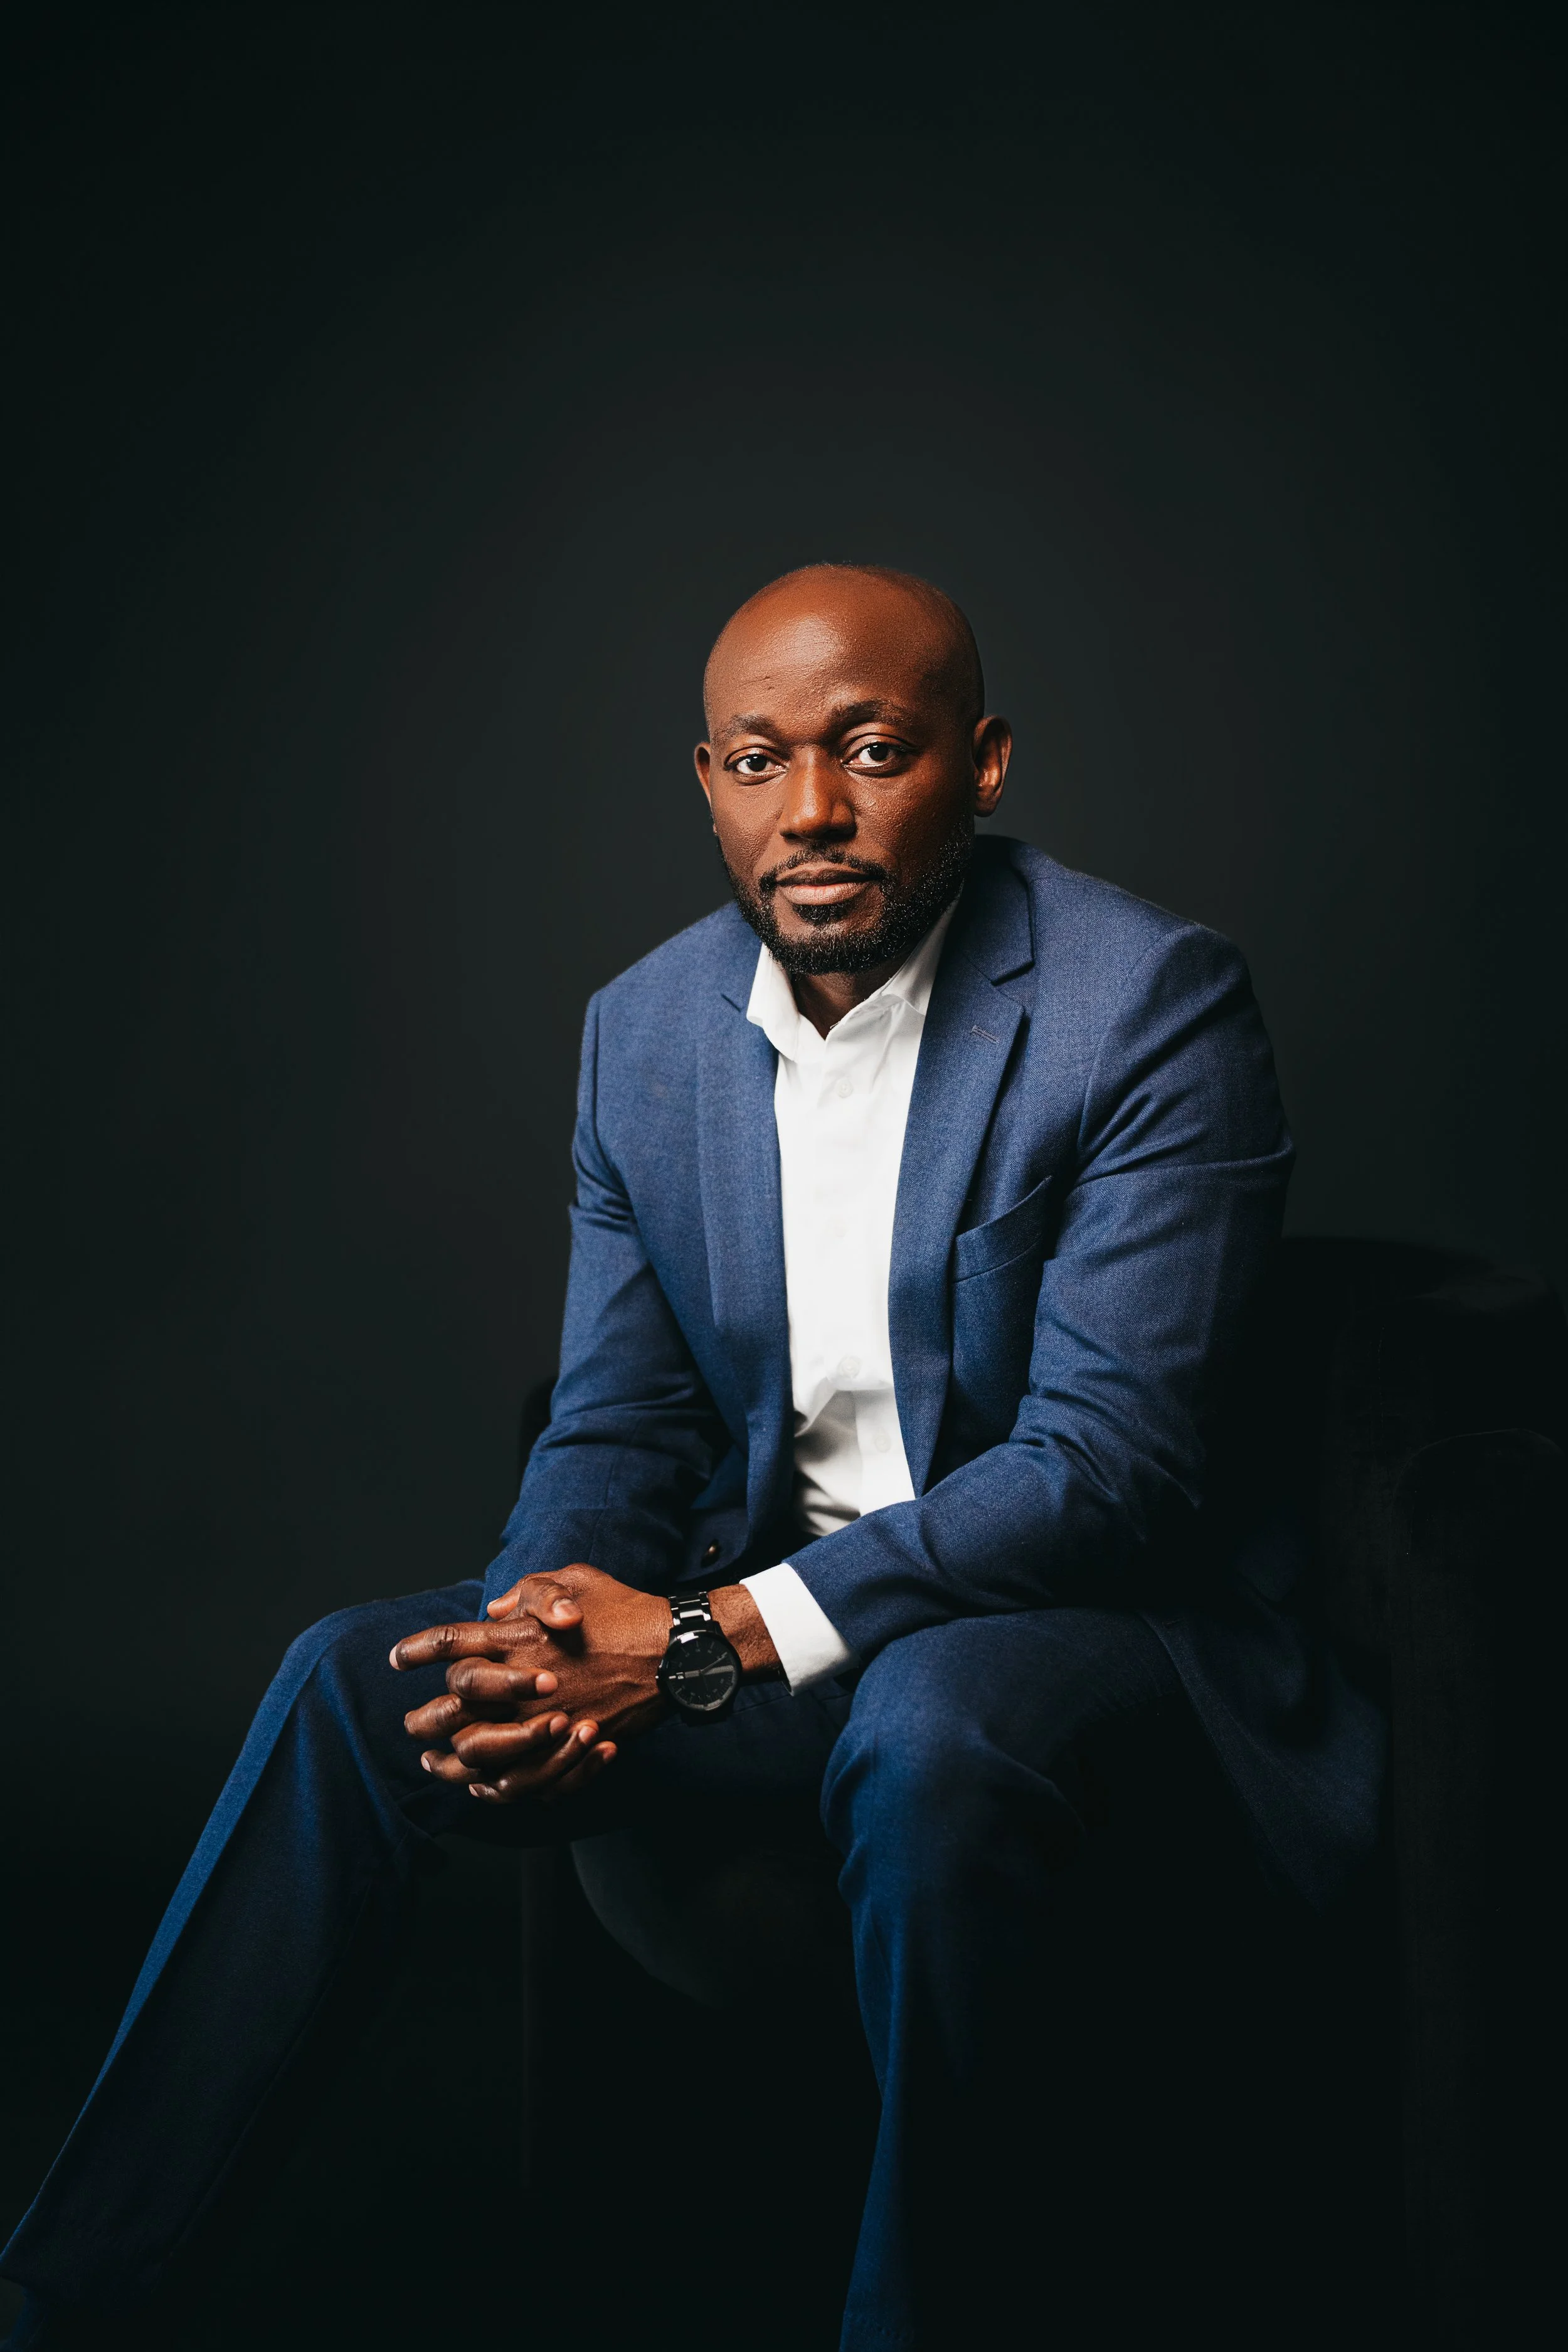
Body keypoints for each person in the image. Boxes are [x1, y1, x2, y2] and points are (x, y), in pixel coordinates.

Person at [2, 564, 1381, 2348]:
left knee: (931, 1720)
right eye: (755, 759)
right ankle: (68, 2292)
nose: (809, 811)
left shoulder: (1147, 1005)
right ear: (710, 782)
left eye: (869, 750)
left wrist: (694, 1642)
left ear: (980, 762)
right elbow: (622, 1419)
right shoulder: (644, 1033)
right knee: (353, 1684)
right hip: (766, 1631)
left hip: (1087, 1628)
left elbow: (1108, 1474)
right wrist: (538, 1636)